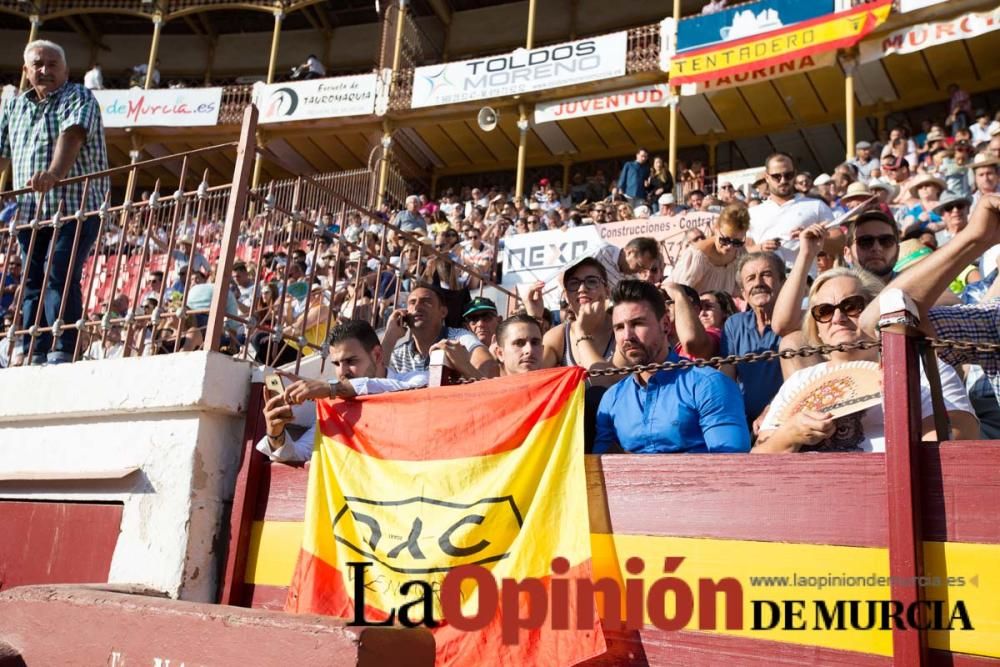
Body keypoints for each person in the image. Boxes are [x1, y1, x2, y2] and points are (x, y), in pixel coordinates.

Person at [754, 267, 977, 453]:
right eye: (824, 311)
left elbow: (959, 436)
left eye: (851, 306)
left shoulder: (924, 367)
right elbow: (758, 459)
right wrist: (789, 434)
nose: (838, 318)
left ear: (874, 311)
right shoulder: (800, 381)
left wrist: (901, 404)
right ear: (817, 328)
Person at [0, 40, 109, 365]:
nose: (45, 70)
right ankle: (35, 346)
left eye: (52, 65)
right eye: (38, 64)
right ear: (26, 70)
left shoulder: (78, 96)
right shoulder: (13, 106)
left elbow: (72, 135)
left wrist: (53, 173)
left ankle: (62, 347)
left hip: (77, 206)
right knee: (32, 279)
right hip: (31, 212)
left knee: (58, 272)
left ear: (66, 71)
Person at [593, 279, 750, 454]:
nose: (627, 336)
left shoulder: (708, 385)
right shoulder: (612, 399)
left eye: (638, 324)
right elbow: (600, 470)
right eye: (619, 327)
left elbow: (731, 465)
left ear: (665, 325)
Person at [257, 321, 430, 463]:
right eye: (336, 364)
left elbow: (414, 388)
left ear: (377, 355)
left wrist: (332, 388)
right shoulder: (335, 404)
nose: (342, 371)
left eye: (351, 361)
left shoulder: (413, 380)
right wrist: (276, 433)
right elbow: (299, 454)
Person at [720, 252, 785, 425]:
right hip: (744, 421)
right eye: (750, 278)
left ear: (783, 282)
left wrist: (772, 410)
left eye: (766, 275)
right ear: (743, 293)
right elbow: (727, 380)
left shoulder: (795, 323)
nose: (758, 283)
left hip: (786, 416)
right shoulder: (734, 325)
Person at [381, 284, 498, 377]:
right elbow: (374, 382)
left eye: (426, 302)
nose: (417, 307)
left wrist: (463, 365)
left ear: (443, 312)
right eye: (412, 302)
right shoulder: (398, 354)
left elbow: (489, 370)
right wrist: (389, 337)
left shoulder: (459, 339)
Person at [747, 152, 834, 270]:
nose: (783, 180)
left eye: (788, 175)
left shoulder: (816, 205)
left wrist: (815, 238)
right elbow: (742, 250)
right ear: (767, 177)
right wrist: (761, 248)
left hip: (806, 281)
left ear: (795, 175)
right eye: (776, 176)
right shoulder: (753, 213)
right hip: (767, 282)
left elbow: (839, 243)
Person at [670, 204, 748, 294]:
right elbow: (679, 293)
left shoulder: (740, 253)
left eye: (737, 242)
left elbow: (742, 289)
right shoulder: (697, 255)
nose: (730, 246)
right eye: (725, 240)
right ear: (716, 229)